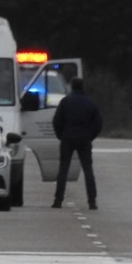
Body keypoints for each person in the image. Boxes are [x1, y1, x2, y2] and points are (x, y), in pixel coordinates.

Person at [51, 76, 102, 210]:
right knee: (88, 170)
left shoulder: (65, 102)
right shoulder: (90, 103)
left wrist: (61, 136)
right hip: (84, 139)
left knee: (63, 169)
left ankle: (58, 199)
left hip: (68, 138)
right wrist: (90, 136)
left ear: (72, 87)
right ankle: (92, 201)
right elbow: (98, 123)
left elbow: (56, 121)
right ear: (82, 87)